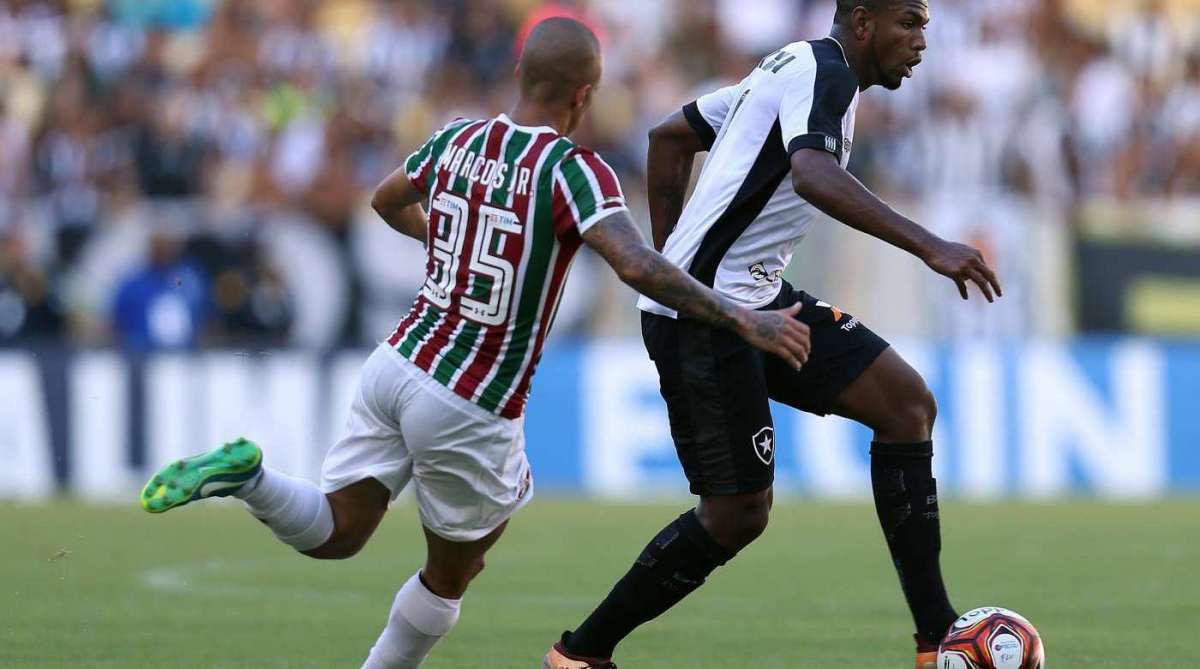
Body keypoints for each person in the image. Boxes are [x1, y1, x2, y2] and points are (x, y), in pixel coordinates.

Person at [137, 17, 811, 669]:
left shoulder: (456, 139)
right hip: (472, 397)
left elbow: (385, 198)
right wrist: (741, 316)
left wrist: (453, 244)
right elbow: (636, 263)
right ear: (584, 96)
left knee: (339, 532)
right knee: (452, 571)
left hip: (397, 363)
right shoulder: (574, 170)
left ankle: (251, 477)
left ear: (519, 73)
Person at [544, 2, 1003, 668]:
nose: (922, 41)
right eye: (909, 22)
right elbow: (812, 174)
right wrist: (930, 245)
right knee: (738, 513)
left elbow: (669, 137)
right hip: (712, 320)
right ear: (865, 21)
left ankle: (938, 640)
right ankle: (579, 655)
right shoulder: (826, 74)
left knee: (906, 405)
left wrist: (679, 258)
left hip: (760, 299)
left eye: (926, 25)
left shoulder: (789, 66)